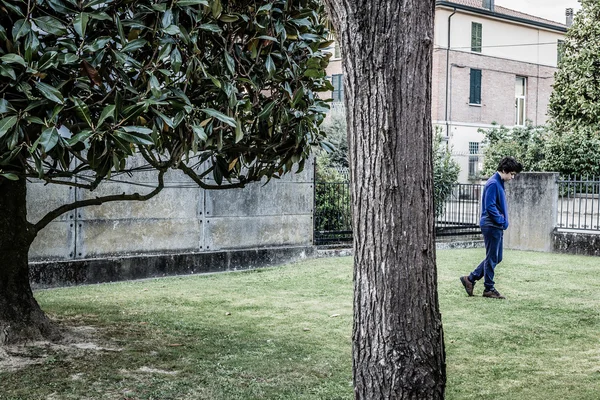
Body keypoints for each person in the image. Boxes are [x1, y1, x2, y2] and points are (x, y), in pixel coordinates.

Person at [460, 156, 523, 300]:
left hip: (495, 225)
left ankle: (470, 278)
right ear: (505, 170)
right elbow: (490, 206)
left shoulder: (498, 182)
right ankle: (488, 288)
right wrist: (501, 221)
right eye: (512, 174)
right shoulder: (494, 183)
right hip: (491, 225)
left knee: (496, 257)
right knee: (492, 257)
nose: (512, 177)